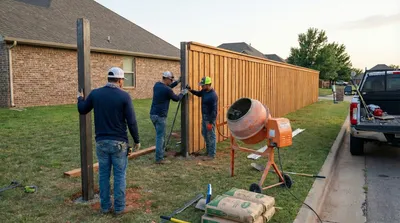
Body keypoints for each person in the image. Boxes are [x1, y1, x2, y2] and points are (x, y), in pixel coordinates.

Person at [77, 67, 140, 215]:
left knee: (104, 176)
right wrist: (136, 140)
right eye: (122, 80)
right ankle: (119, 208)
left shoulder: (95, 94)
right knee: (119, 176)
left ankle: (104, 208)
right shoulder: (124, 96)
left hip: (101, 142)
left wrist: (80, 97)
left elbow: (82, 109)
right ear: (119, 80)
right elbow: (131, 121)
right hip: (119, 143)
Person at [150, 71, 187, 164]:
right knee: (160, 137)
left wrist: (177, 81)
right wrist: (183, 92)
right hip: (160, 116)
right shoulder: (167, 90)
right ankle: (159, 158)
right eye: (170, 80)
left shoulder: (157, 85)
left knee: (160, 135)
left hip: (153, 115)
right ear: (166, 79)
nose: (171, 81)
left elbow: (168, 88)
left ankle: (161, 153)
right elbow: (176, 98)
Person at [186, 76, 218, 161]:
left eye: (203, 85)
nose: (201, 86)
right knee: (204, 133)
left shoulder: (213, 95)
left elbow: (214, 111)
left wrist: (211, 123)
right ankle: (208, 151)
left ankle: (212, 154)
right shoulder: (204, 91)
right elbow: (198, 94)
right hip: (204, 117)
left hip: (209, 119)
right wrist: (190, 90)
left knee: (211, 135)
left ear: (208, 85)